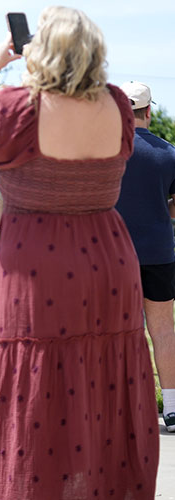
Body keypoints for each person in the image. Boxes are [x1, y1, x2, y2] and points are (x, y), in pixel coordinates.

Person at [0, 7, 159, 499]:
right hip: (108, 257)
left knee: (38, 386)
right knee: (103, 379)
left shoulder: (19, 106)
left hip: (38, 260)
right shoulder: (120, 105)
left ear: (39, 50)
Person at [115, 80, 175, 432]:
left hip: (113, 255)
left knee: (125, 331)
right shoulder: (169, 152)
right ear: (148, 112)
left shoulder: (105, 151)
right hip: (158, 252)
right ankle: (171, 409)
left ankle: (131, 408)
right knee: (164, 330)